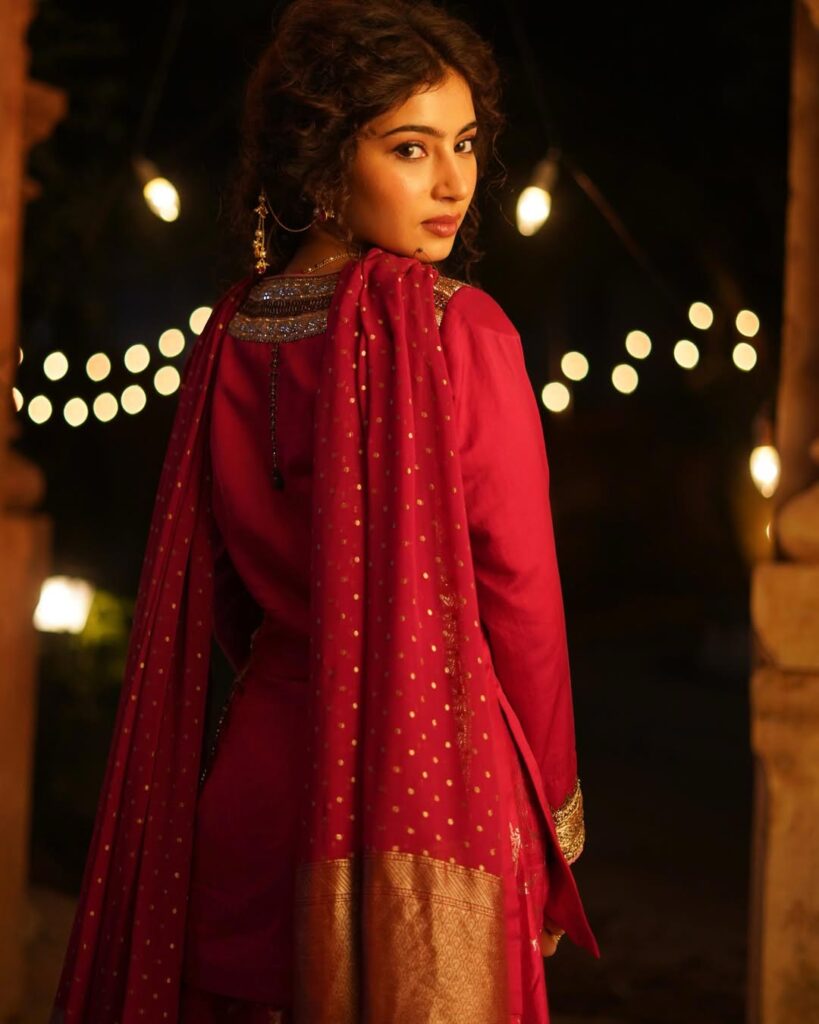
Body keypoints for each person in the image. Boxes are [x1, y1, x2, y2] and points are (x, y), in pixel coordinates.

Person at [50, 2, 599, 1021]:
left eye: (467, 144)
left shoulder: (230, 336)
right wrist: (555, 817)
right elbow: (518, 597)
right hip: (428, 786)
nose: (453, 182)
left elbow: (220, 597)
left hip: (258, 786)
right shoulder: (455, 331)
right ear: (320, 163)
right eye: (410, 147)